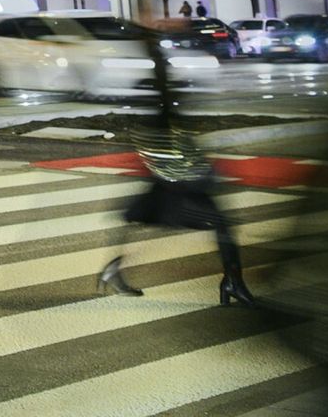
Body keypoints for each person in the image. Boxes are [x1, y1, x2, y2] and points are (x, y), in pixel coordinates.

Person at [97, 32, 254, 306]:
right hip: (179, 183)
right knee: (220, 224)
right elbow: (163, 92)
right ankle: (232, 282)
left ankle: (114, 269)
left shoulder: (155, 111)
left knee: (141, 219)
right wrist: (154, 51)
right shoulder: (163, 108)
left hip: (169, 180)